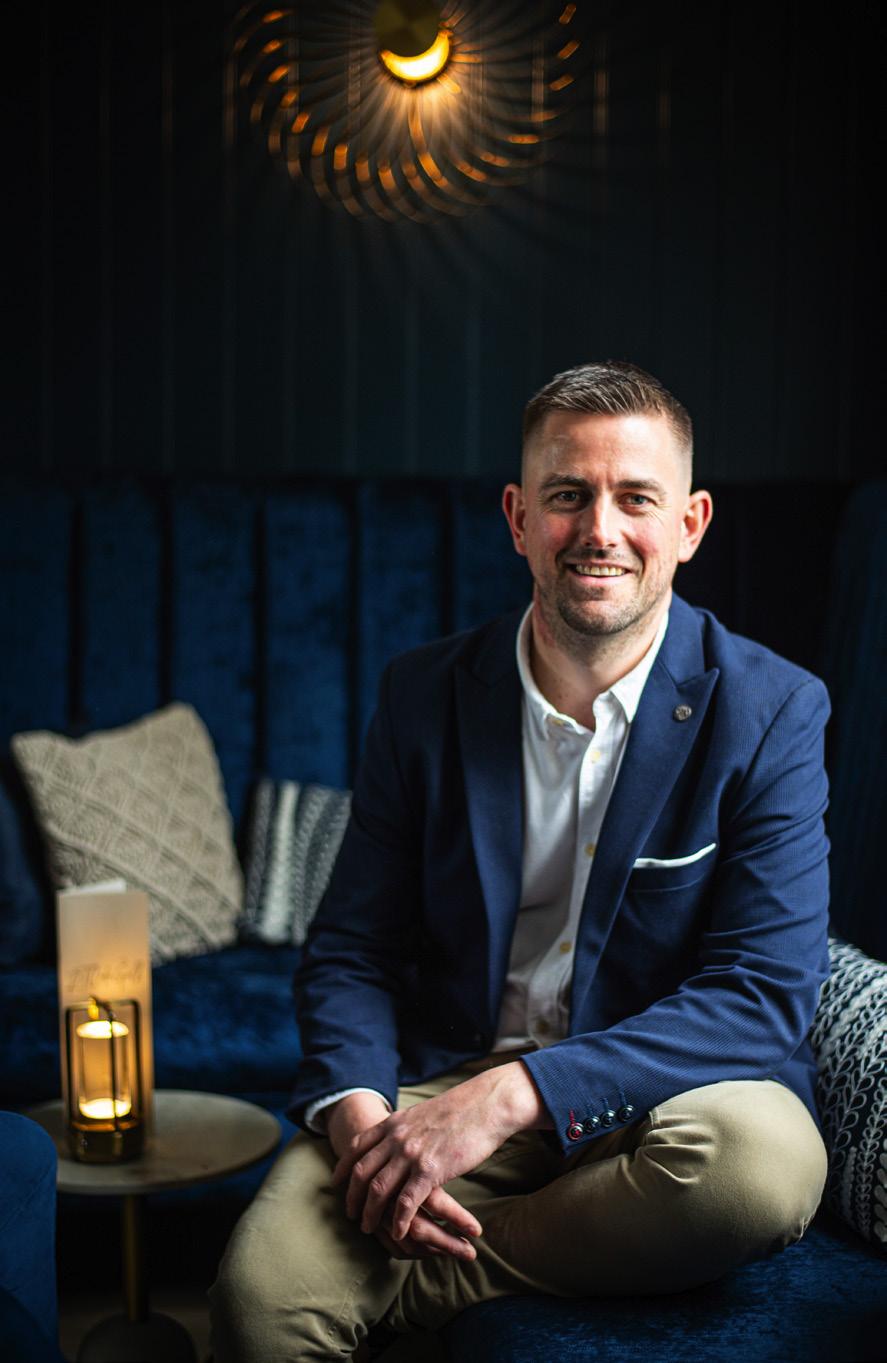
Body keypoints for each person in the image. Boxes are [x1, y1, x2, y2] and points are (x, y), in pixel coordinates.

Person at [210, 361, 830, 1361]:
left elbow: (760, 993)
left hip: (661, 1094)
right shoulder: (420, 696)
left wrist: (514, 1095)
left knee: (758, 1171)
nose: (598, 529)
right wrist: (365, 1127)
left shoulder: (772, 710)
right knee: (259, 1305)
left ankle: (427, 1279)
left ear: (689, 524)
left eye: (635, 498)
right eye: (566, 494)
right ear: (517, 516)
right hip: (442, 1075)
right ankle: (420, 1243)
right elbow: (352, 950)